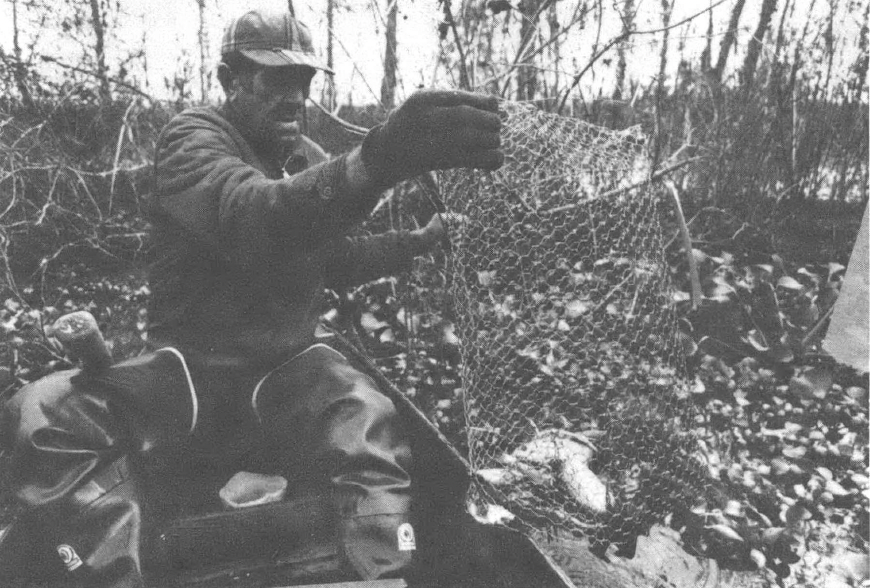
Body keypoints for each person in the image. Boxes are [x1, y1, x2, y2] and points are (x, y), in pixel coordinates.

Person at [0, 9, 503, 588]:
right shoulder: (192, 140)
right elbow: (259, 218)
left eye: (304, 83)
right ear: (230, 80)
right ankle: (115, 573)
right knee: (44, 410)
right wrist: (379, 158)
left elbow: (328, 256)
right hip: (184, 378)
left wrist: (415, 244)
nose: (295, 98)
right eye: (275, 80)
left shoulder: (305, 158)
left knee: (366, 414)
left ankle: (383, 573)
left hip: (285, 377)